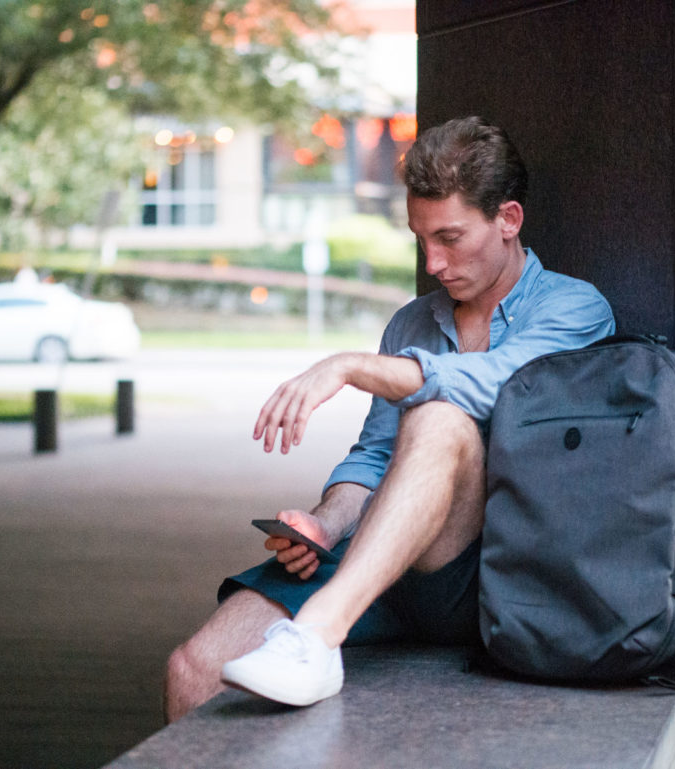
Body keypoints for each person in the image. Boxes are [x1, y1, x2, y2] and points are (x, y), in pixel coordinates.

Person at [163, 116, 616, 721]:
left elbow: (491, 385)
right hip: (387, 570)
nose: (432, 263)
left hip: (496, 578)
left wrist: (354, 366)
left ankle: (317, 635)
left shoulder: (575, 308)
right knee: (194, 668)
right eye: (420, 239)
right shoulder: (411, 323)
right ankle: (317, 629)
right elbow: (375, 455)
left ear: (508, 220)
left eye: (450, 238)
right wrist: (324, 525)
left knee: (440, 419)